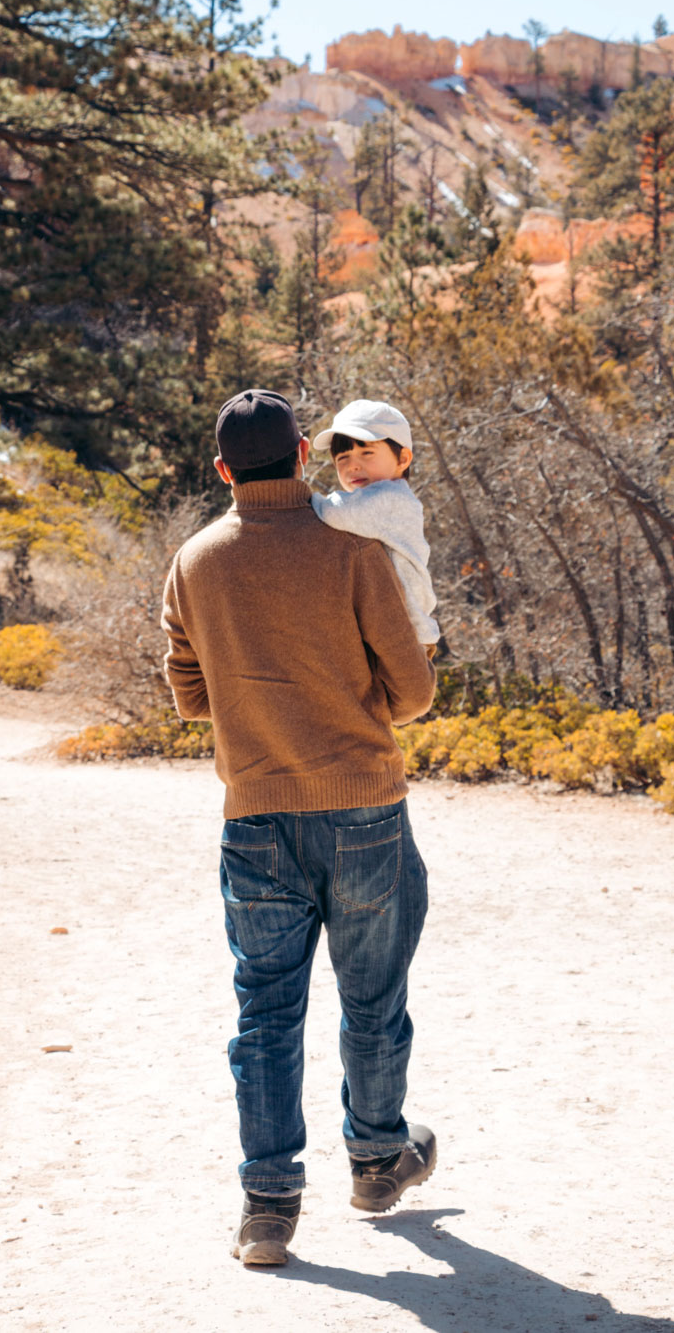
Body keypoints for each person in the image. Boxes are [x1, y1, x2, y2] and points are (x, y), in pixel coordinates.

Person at [160, 388, 438, 1268]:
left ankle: (268, 1209)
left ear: (222, 471)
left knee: (267, 1013)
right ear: (306, 456)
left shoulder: (195, 561)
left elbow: (187, 690)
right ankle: (377, 1158)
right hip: (362, 804)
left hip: (255, 813)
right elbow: (416, 691)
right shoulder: (351, 550)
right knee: (372, 995)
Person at [310, 398, 440, 650]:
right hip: (398, 633)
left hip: (407, 638)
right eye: (343, 457)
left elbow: (334, 513)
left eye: (366, 453)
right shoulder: (381, 500)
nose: (353, 465)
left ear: (403, 458)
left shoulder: (389, 497)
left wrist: (303, 499)